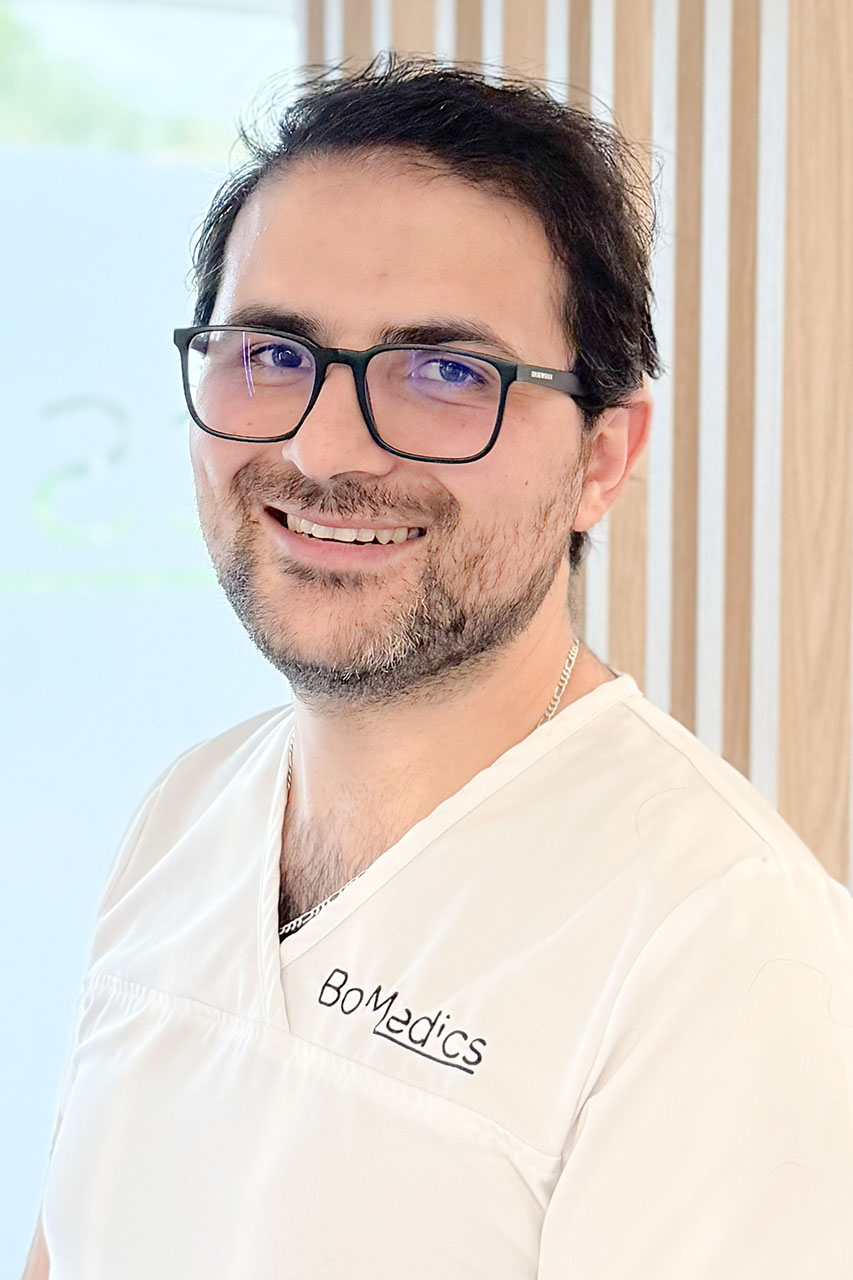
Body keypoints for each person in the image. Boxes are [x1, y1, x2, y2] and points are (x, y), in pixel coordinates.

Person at [26, 57, 853, 1280]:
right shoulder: (185, 810)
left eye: (448, 372)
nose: (324, 448)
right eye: (271, 352)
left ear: (602, 457)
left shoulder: (723, 950)